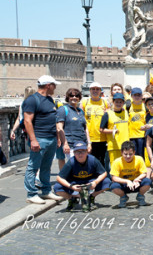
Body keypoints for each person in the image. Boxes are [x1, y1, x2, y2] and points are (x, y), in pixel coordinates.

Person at [23, 75, 64, 204]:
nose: (55, 87)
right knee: (33, 167)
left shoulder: (50, 100)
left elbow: (53, 120)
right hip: (39, 138)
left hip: (51, 138)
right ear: (48, 85)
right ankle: (31, 193)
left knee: (46, 167)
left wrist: (57, 138)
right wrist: (33, 140)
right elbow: (27, 121)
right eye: (54, 85)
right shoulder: (32, 100)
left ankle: (46, 191)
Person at [54, 142, 110, 211]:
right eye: (77, 152)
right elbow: (59, 178)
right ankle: (72, 199)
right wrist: (71, 186)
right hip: (75, 183)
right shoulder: (71, 162)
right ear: (74, 153)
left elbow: (104, 173)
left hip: (89, 182)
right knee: (57, 187)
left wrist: (95, 182)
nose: (80, 154)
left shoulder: (93, 160)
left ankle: (91, 197)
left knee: (107, 182)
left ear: (87, 152)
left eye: (82, 151)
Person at [110, 141, 151, 207]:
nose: (128, 156)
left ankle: (140, 196)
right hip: (124, 184)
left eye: (130, 154)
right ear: (121, 153)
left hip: (136, 183)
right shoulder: (117, 161)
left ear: (134, 152)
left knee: (148, 181)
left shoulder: (139, 159)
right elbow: (114, 177)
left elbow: (144, 173)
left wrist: (137, 179)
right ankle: (123, 197)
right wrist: (127, 181)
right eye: (125, 154)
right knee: (113, 186)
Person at [56, 88, 90, 160]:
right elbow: (59, 128)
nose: (74, 97)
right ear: (68, 97)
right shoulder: (63, 109)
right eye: (71, 95)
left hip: (82, 144)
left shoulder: (81, 111)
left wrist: (89, 143)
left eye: (77, 96)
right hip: (71, 144)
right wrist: (65, 144)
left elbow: (85, 129)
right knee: (74, 166)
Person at [81, 82, 109, 167]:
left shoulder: (105, 102)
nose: (95, 91)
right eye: (93, 89)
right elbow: (81, 119)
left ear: (101, 91)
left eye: (97, 89)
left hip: (102, 137)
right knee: (89, 160)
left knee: (101, 161)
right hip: (89, 137)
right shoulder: (84, 102)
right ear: (90, 90)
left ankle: (101, 178)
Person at [99, 93, 130, 165]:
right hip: (114, 146)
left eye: (120, 102)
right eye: (116, 101)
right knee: (115, 167)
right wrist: (112, 131)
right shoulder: (107, 114)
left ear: (123, 103)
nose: (118, 103)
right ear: (113, 102)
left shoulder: (126, 112)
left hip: (125, 145)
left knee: (125, 166)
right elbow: (101, 129)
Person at [128, 87, 149, 159]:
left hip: (142, 135)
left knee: (141, 155)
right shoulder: (128, 106)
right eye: (135, 95)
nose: (137, 97)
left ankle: (142, 169)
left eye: (139, 95)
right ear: (131, 96)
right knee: (133, 154)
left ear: (142, 96)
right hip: (131, 135)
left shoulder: (145, 106)